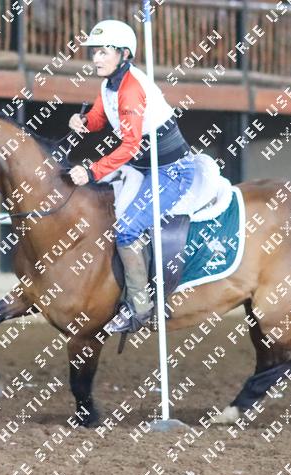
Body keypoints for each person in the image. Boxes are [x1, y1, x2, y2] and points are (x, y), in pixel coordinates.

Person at [69, 19, 195, 334]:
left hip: (171, 172)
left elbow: (130, 145)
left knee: (126, 230)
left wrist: (92, 171)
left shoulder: (131, 90)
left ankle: (141, 307)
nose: (96, 58)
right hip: (141, 168)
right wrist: (83, 121)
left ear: (124, 54)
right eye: (94, 52)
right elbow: (99, 117)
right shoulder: (108, 84)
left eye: (103, 52)